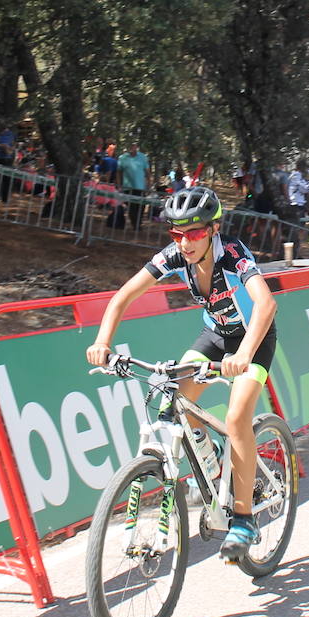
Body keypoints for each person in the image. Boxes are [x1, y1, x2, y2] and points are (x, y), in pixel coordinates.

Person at [85, 186, 278, 564]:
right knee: (176, 401)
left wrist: (242, 354)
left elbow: (266, 303)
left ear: (214, 229)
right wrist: (102, 342)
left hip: (253, 339)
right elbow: (122, 296)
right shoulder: (175, 256)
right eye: (177, 233)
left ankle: (243, 519)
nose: (185, 242)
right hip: (215, 336)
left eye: (194, 232)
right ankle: (217, 463)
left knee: (237, 416)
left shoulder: (234, 254)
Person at [116, 142, 149, 228]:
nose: (132, 147)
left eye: (134, 145)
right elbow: (119, 172)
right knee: (131, 207)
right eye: (130, 145)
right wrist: (119, 185)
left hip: (140, 187)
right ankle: (135, 225)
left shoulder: (143, 157)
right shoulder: (122, 158)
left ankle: (138, 223)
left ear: (136, 147)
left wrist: (148, 184)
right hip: (127, 187)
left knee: (141, 206)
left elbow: (147, 172)